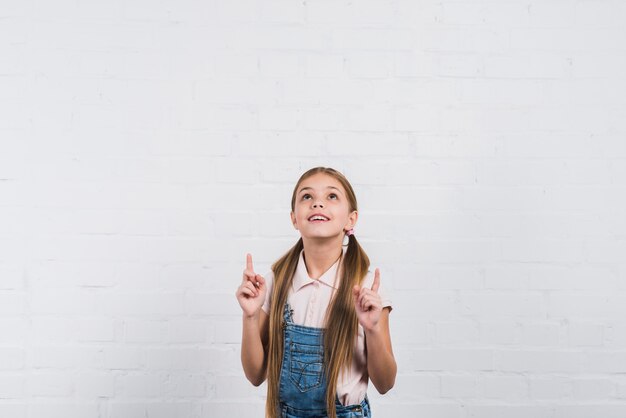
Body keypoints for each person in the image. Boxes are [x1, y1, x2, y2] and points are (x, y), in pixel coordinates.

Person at [236, 166, 396, 418]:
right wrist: (249, 316)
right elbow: (255, 375)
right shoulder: (275, 283)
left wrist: (373, 329)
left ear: (351, 219)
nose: (318, 204)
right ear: (294, 218)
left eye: (331, 196)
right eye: (307, 196)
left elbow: (385, 383)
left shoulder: (366, 289)